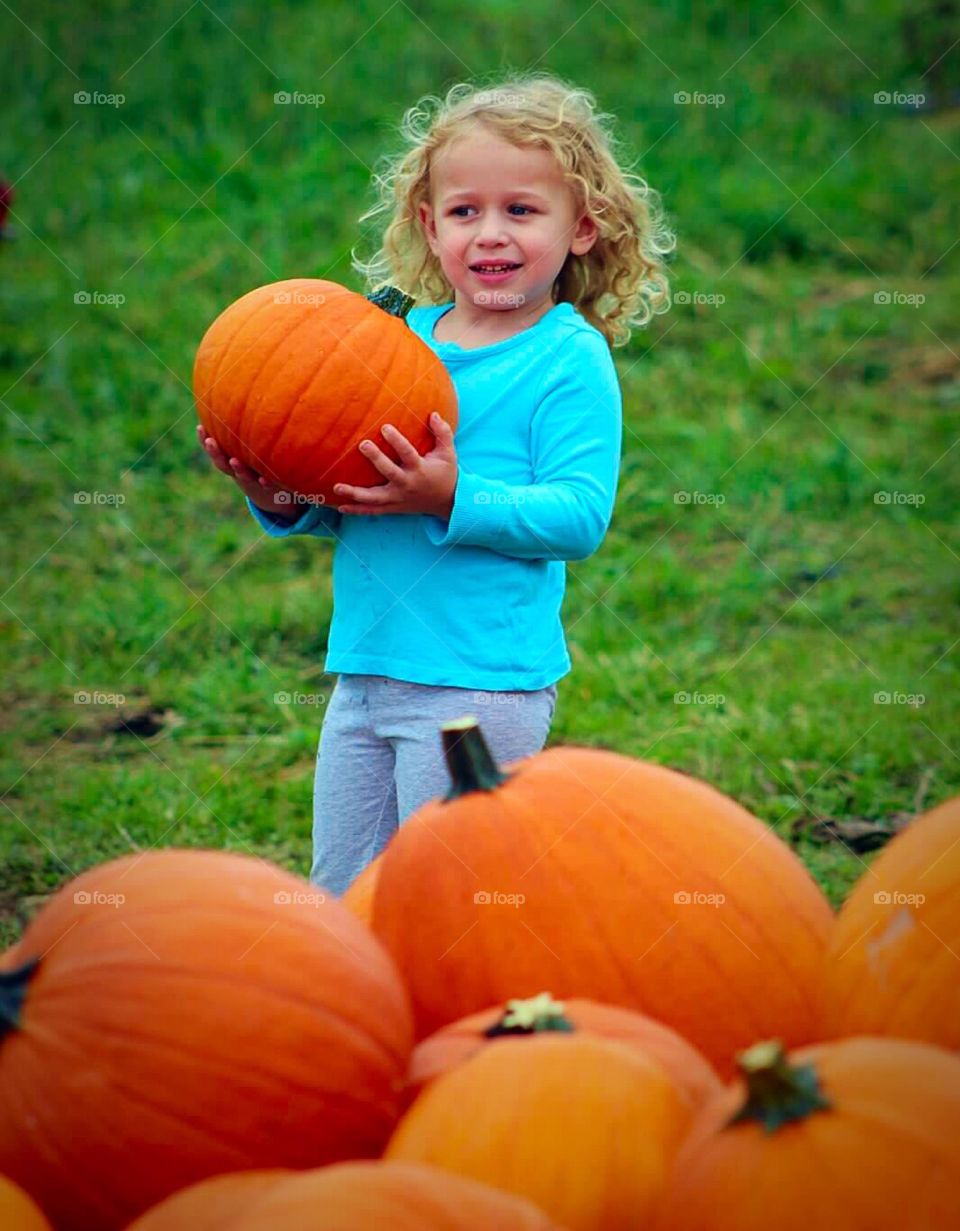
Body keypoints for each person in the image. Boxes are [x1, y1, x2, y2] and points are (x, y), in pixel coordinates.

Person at [197, 72, 675, 896]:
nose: (491, 233)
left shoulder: (567, 357)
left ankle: (472, 1023)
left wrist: (451, 494)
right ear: (429, 224)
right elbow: (351, 497)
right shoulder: (389, 340)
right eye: (465, 212)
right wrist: (278, 498)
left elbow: (579, 515)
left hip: (479, 688)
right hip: (365, 673)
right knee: (343, 892)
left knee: (450, 897)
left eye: (522, 210)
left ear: (584, 227)